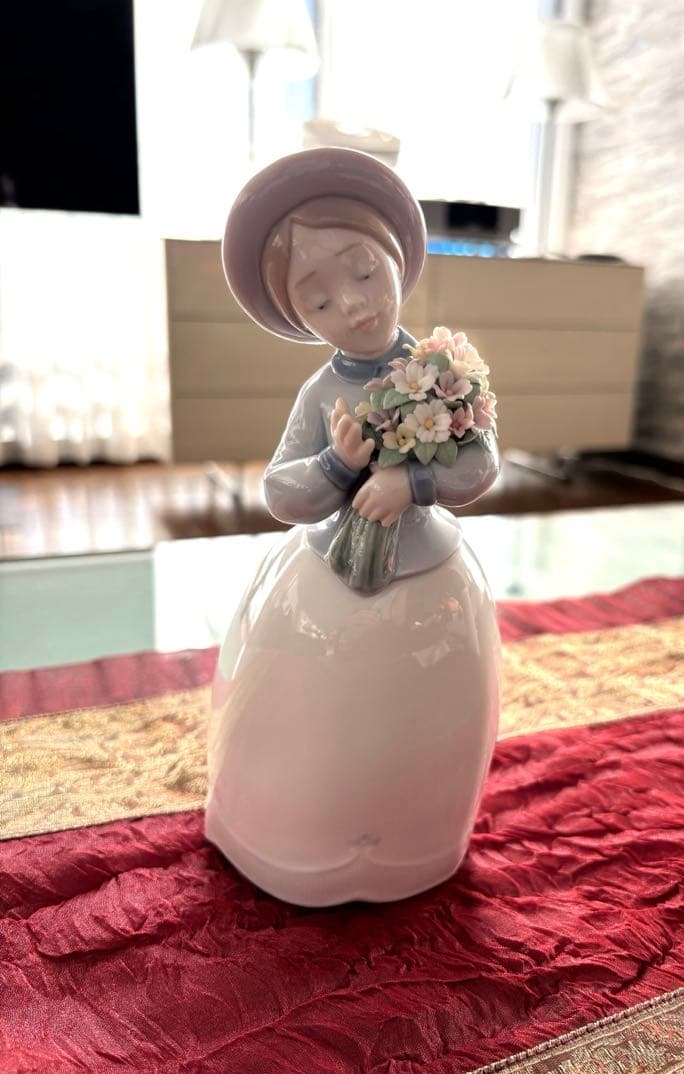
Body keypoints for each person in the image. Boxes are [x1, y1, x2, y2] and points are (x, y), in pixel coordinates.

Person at [206, 148, 501, 907]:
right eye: (320, 301)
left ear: (397, 259)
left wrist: (415, 482)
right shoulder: (319, 394)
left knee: (426, 707)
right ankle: (293, 835)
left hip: (430, 577)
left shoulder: (444, 372)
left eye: (365, 272)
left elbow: (481, 463)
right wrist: (337, 467)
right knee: (314, 716)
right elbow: (280, 490)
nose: (355, 305)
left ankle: (415, 836)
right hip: (325, 575)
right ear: (300, 319)